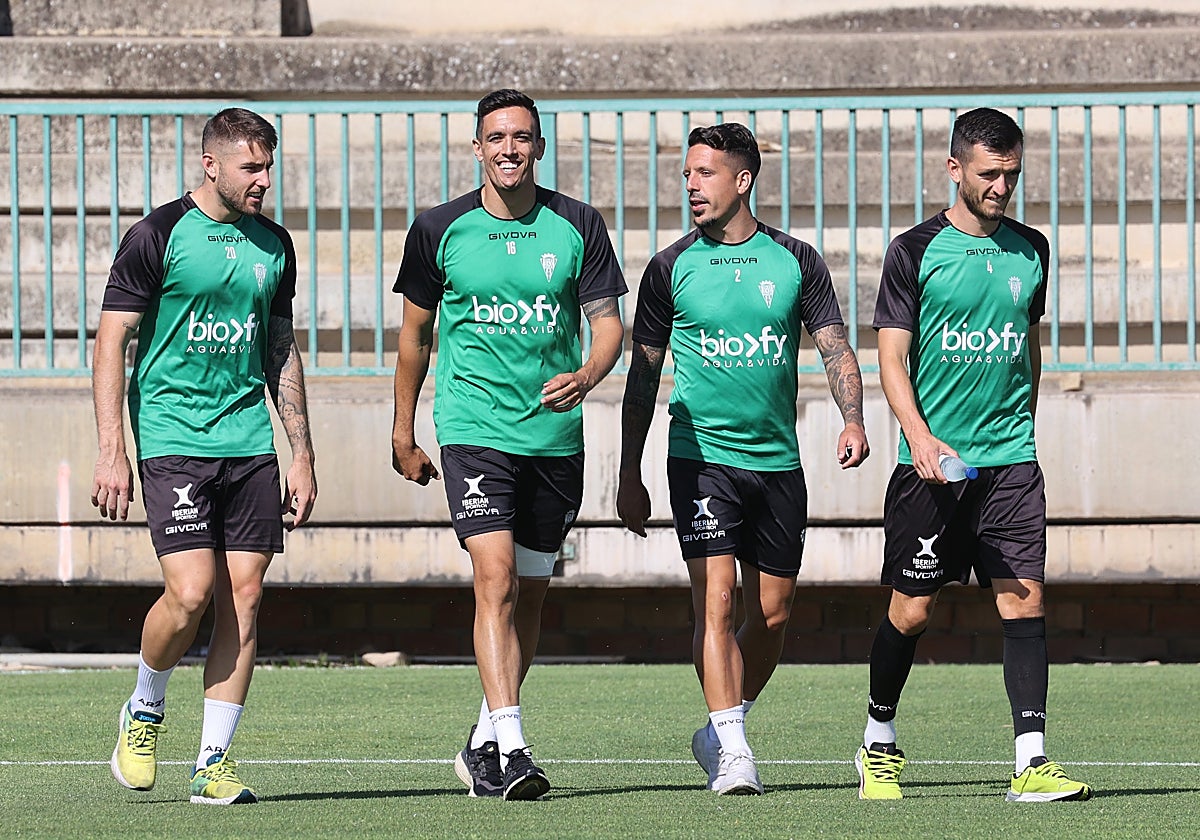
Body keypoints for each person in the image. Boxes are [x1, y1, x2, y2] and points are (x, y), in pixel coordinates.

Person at [617, 123, 869, 795]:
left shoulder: (796, 260)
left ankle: (720, 726)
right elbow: (642, 379)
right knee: (718, 602)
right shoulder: (670, 267)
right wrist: (628, 473)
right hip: (699, 458)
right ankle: (734, 753)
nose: (692, 186)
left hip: (777, 463)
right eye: (687, 174)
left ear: (743, 180)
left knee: (777, 612)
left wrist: (852, 419)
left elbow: (835, 347)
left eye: (705, 173)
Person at [391, 89, 626, 801]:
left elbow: (608, 324)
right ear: (476, 148)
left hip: (553, 437)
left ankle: (483, 739)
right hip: (473, 430)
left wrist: (587, 373)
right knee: (493, 578)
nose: (508, 149)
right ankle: (517, 748)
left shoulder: (578, 224)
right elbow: (414, 338)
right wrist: (402, 430)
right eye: (496, 137)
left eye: (522, 137)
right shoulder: (439, 229)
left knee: (530, 594)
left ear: (539, 148)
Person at [855, 107, 1092, 802]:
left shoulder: (1031, 249)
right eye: (988, 174)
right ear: (954, 168)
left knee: (1024, 602)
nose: (1001, 187)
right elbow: (891, 358)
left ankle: (1031, 762)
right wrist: (920, 438)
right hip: (931, 468)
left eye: (1011, 174)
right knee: (912, 612)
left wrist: (1023, 423)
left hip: (1011, 463)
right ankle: (878, 739)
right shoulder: (914, 250)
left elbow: (1029, 343)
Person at [91, 107, 317, 806]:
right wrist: (112, 452)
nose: (264, 180)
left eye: (269, 166)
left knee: (244, 598)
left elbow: (279, 348)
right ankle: (145, 706)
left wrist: (301, 453)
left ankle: (212, 764)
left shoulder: (274, 244)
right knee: (189, 594)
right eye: (252, 167)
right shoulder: (157, 235)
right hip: (171, 438)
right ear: (210, 164)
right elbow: (111, 343)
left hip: (248, 441)